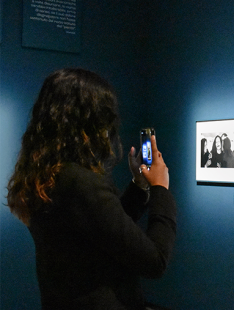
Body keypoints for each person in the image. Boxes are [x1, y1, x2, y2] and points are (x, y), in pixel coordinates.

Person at [6, 68, 176, 309]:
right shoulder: (81, 183)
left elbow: (107, 230)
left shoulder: (48, 177)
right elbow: (155, 261)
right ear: (87, 118)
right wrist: (161, 188)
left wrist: (139, 185)